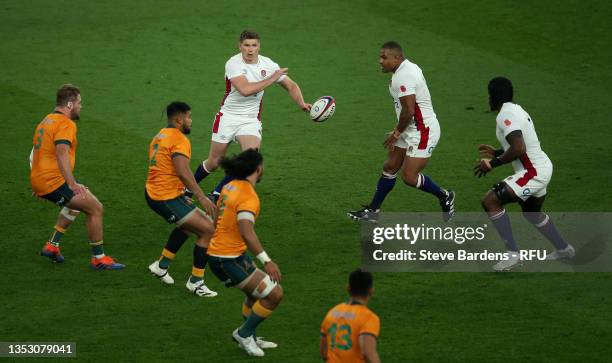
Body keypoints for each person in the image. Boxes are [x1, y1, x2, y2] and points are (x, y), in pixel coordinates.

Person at [192, 30, 311, 202]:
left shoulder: (268, 64)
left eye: (254, 45)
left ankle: (216, 194)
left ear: (259, 46)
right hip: (228, 117)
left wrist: (301, 102)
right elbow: (246, 90)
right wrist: (272, 79)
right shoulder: (233, 63)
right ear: (240, 46)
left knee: (250, 160)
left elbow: (291, 85)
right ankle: (188, 188)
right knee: (215, 161)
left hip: (250, 120)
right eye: (246, 45)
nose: (250, 49)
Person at [474, 77, 575, 271]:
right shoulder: (516, 109)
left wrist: (492, 163)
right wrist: (497, 152)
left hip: (533, 172)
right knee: (532, 214)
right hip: (541, 166)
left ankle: (512, 254)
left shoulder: (505, 115)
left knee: (490, 201)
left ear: (493, 96)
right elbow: (520, 146)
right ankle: (563, 248)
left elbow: (519, 148)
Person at [348, 41, 454, 223]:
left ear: (396, 57)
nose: (380, 61)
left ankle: (445, 195)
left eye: (384, 57)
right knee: (390, 167)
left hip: (423, 131)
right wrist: (400, 130)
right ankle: (373, 212)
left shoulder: (404, 76)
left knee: (409, 177)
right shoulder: (405, 69)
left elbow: (409, 111)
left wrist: (397, 133)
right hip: (409, 127)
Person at [30, 84, 124, 269]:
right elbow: (61, 152)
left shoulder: (46, 120)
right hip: (53, 181)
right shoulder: (66, 123)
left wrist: (38, 182)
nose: (82, 106)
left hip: (43, 179)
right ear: (70, 104)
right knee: (96, 208)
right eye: (80, 102)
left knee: (81, 200)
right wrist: (71, 183)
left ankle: (52, 245)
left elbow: (35, 152)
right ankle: (99, 258)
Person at [206, 149, 282, 357]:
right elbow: (247, 232)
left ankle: (252, 337)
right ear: (258, 169)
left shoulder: (230, 186)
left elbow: (216, 216)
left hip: (226, 253)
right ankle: (244, 334)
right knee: (274, 294)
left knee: (253, 294)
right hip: (227, 258)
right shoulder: (248, 196)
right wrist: (267, 261)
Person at [146, 101, 218, 297]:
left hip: (159, 192)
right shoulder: (179, 140)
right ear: (179, 119)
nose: (190, 121)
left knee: (189, 224)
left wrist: (181, 194)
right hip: (164, 197)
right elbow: (183, 171)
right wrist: (201, 197)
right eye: (188, 117)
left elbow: (165, 168)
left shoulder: (160, 135)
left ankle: (161, 265)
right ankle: (196, 282)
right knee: (208, 228)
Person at [320, 269, 381, 363]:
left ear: (348, 288)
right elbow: (368, 353)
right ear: (371, 290)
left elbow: (323, 353)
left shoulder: (331, 313)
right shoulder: (369, 317)